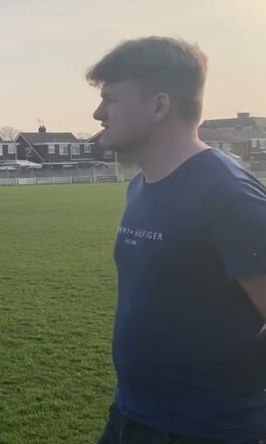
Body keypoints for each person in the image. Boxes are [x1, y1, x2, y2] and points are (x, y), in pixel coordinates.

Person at [89, 37, 266, 444]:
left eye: (110, 99)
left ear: (159, 105)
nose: (98, 114)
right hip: (131, 415)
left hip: (205, 429)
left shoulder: (226, 193)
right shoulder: (139, 186)